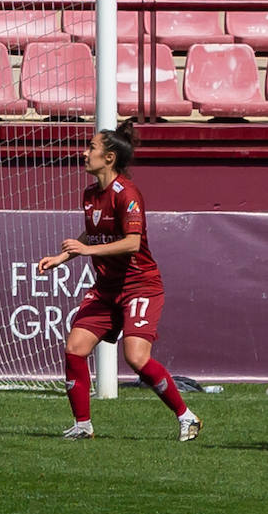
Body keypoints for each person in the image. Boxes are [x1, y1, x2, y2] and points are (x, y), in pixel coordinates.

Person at [37, 121, 201, 441]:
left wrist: (86, 250)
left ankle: (187, 417)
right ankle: (83, 426)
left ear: (109, 158)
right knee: (75, 348)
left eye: (91, 148)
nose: (84, 153)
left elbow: (132, 242)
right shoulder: (89, 194)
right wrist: (62, 258)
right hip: (106, 286)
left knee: (136, 357)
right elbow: (94, 232)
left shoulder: (126, 194)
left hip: (140, 284)